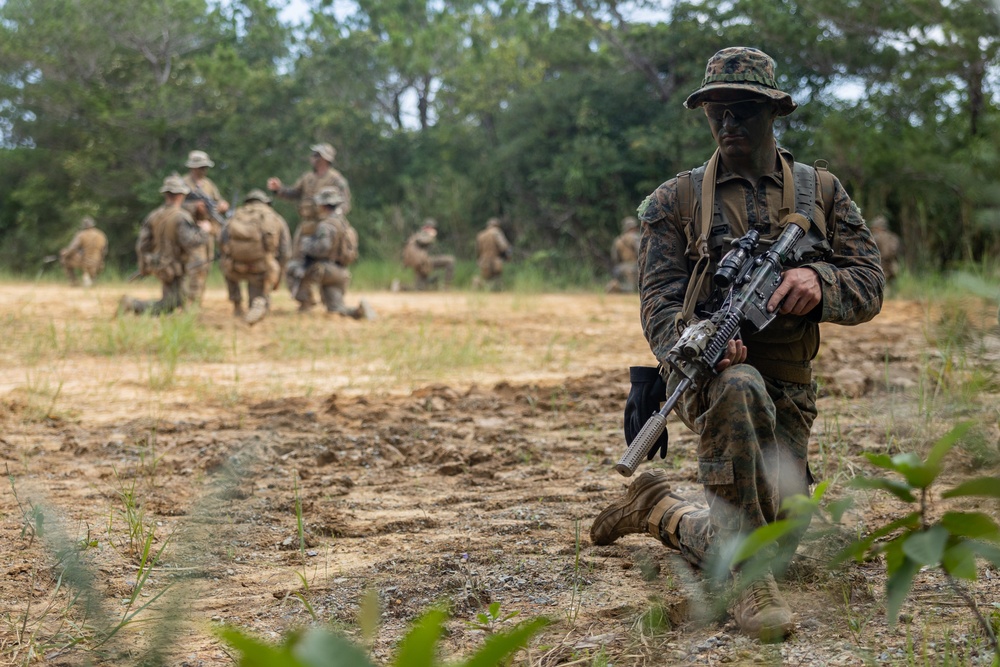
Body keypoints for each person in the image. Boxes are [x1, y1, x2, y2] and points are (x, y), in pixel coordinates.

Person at [590, 47, 884, 642]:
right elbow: (658, 305)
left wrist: (818, 281)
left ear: (773, 113)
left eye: (743, 111)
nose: (728, 124)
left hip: (791, 389)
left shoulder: (819, 192)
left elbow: (871, 283)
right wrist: (697, 343)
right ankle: (748, 584)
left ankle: (657, 509)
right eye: (717, 112)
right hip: (710, 380)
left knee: (775, 532)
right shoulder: (674, 201)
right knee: (738, 386)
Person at [119, 174, 209, 316]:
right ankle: (133, 304)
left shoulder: (154, 215)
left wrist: (144, 266)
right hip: (174, 267)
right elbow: (190, 242)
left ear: (166, 194)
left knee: (179, 298)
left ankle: (173, 316)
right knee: (172, 302)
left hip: (158, 264)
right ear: (180, 195)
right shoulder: (180, 217)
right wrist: (204, 231)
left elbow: (142, 245)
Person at [291, 187, 374, 320]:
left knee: (293, 268)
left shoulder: (326, 225)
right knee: (336, 309)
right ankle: (358, 312)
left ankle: (305, 304)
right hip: (341, 273)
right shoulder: (344, 224)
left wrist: (306, 245)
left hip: (325, 271)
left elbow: (322, 248)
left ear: (323, 206)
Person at [219, 189, 291, 325]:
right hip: (261, 267)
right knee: (265, 278)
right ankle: (260, 302)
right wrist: (277, 274)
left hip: (235, 267)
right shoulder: (274, 217)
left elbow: (221, 242)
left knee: (224, 264)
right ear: (265, 202)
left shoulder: (236, 215)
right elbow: (285, 251)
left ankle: (237, 305)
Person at [182, 150, 230, 305]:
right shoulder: (183, 184)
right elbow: (176, 206)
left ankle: (197, 302)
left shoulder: (208, 184)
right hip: (192, 230)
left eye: (205, 167)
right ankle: (190, 302)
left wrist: (222, 206)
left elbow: (217, 201)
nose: (204, 170)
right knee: (196, 266)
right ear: (193, 167)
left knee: (205, 268)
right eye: (201, 167)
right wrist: (195, 207)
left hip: (209, 231)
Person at [400, 218, 455, 290]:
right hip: (423, 263)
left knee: (419, 288)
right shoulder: (422, 234)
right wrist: (431, 236)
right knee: (450, 261)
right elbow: (422, 241)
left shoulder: (416, 236)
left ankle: (400, 286)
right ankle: (447, 287)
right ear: (428, 227)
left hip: (419, 263)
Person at [59, 216, 108, 287]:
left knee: (65, 258)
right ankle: (92, 279)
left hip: (85, 263)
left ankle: (74, 282)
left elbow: (72, 249)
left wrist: (65, 254)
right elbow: (104, 251)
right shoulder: (101, 234)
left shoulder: (81, 235)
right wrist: (100, 262)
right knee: (93, 262)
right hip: (98, 263)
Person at [473, 217, 512, 290]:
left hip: (483, 262)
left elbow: (478, 251)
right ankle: (498, 289)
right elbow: (504, 247)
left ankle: (477, 282)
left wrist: (479, 261)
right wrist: (508, 256)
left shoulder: (480, 235)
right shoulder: (496, 233)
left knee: (485, 279)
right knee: (497, 279)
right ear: (497, 226)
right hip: (495, 262)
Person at [605, 216, 641, 293]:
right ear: (633, 227)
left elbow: (615, 258)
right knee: (634, 288)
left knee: (625, 283)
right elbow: (640, 253)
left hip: (620, 268)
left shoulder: (618, 240)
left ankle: (615, 286)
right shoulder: (635, 238)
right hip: (634, 267)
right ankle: (621, 289)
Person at [869, 215, 901, 283]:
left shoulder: (875, 237)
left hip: (879, 269)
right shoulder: (893, 237)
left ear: (878, 228)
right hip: (892, 268)